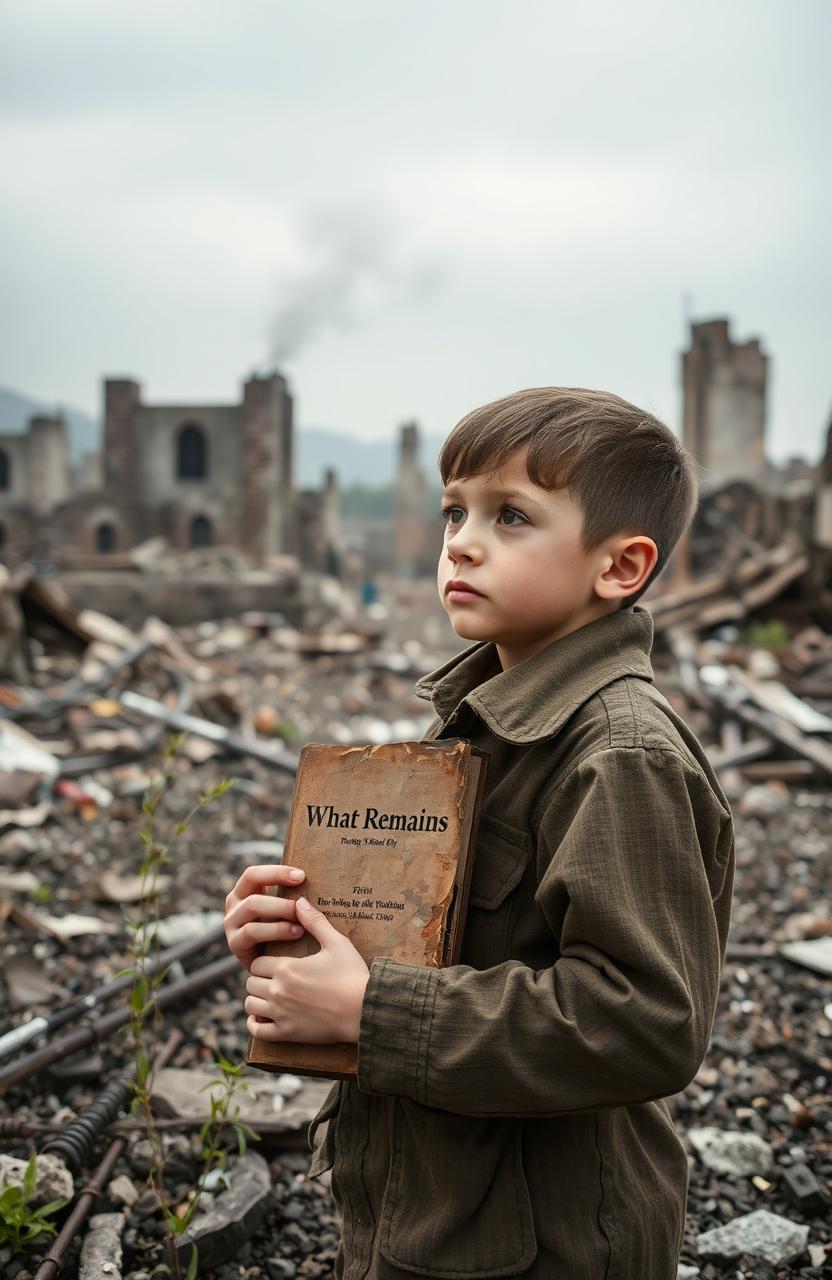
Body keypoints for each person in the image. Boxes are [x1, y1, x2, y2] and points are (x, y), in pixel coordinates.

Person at [224, 386, 735, 1280]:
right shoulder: (481, 726)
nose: (460, 541)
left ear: (619, 568)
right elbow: (436, 946)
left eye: (511, 516)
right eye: (455, 509)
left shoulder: (617, 755)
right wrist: (298, 935)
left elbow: (648, 1023)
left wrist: (367, 1009)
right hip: (437, 1215)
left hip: (551, 1244)